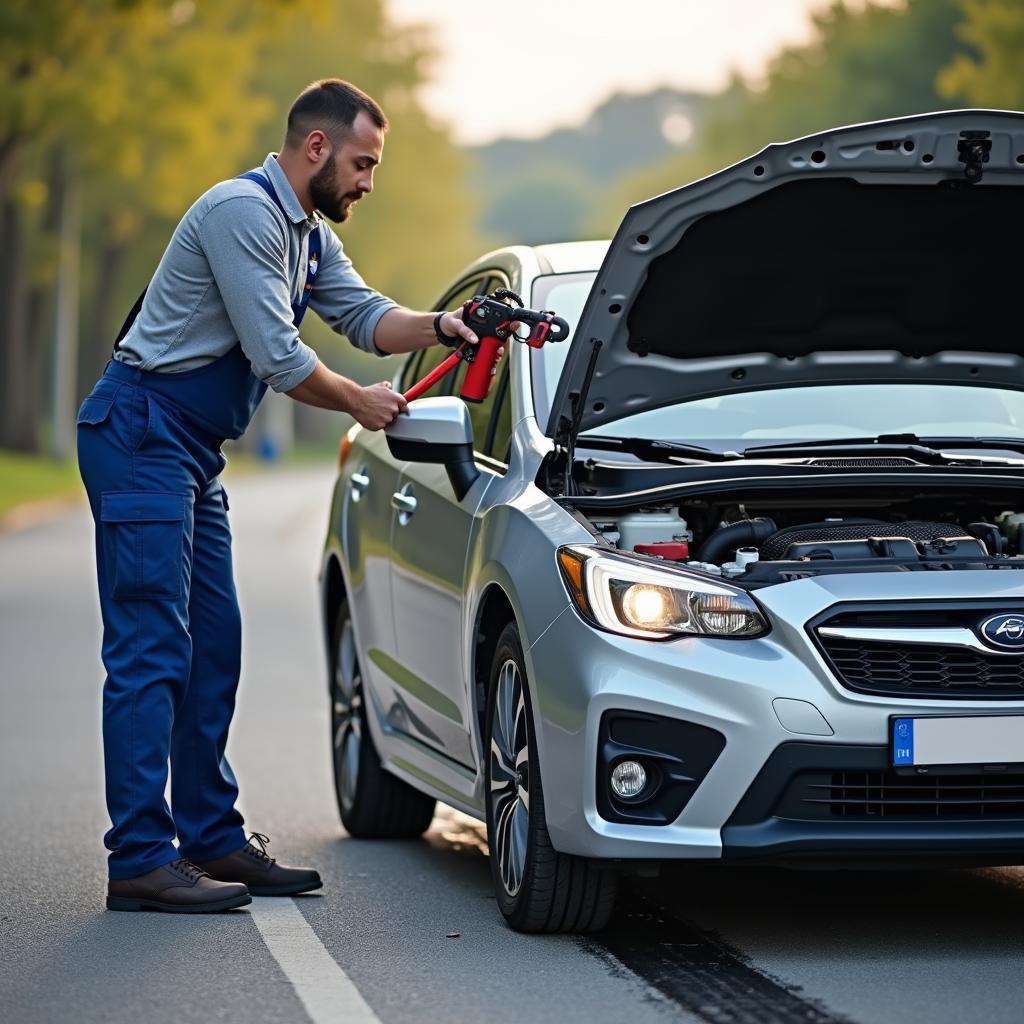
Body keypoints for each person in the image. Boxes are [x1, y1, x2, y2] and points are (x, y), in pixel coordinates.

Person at [77, 78, 483, 913]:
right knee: (153, 648)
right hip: (141, 433)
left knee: (213, 645)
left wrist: (442, 325)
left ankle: (211, 836)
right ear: (315, 148)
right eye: (363, 163)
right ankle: (141, 860)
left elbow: (367, 317)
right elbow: (279, 357)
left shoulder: (305, 233)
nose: (369, 181)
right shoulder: (242, 214)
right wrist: (362, 401)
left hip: (189, 448)